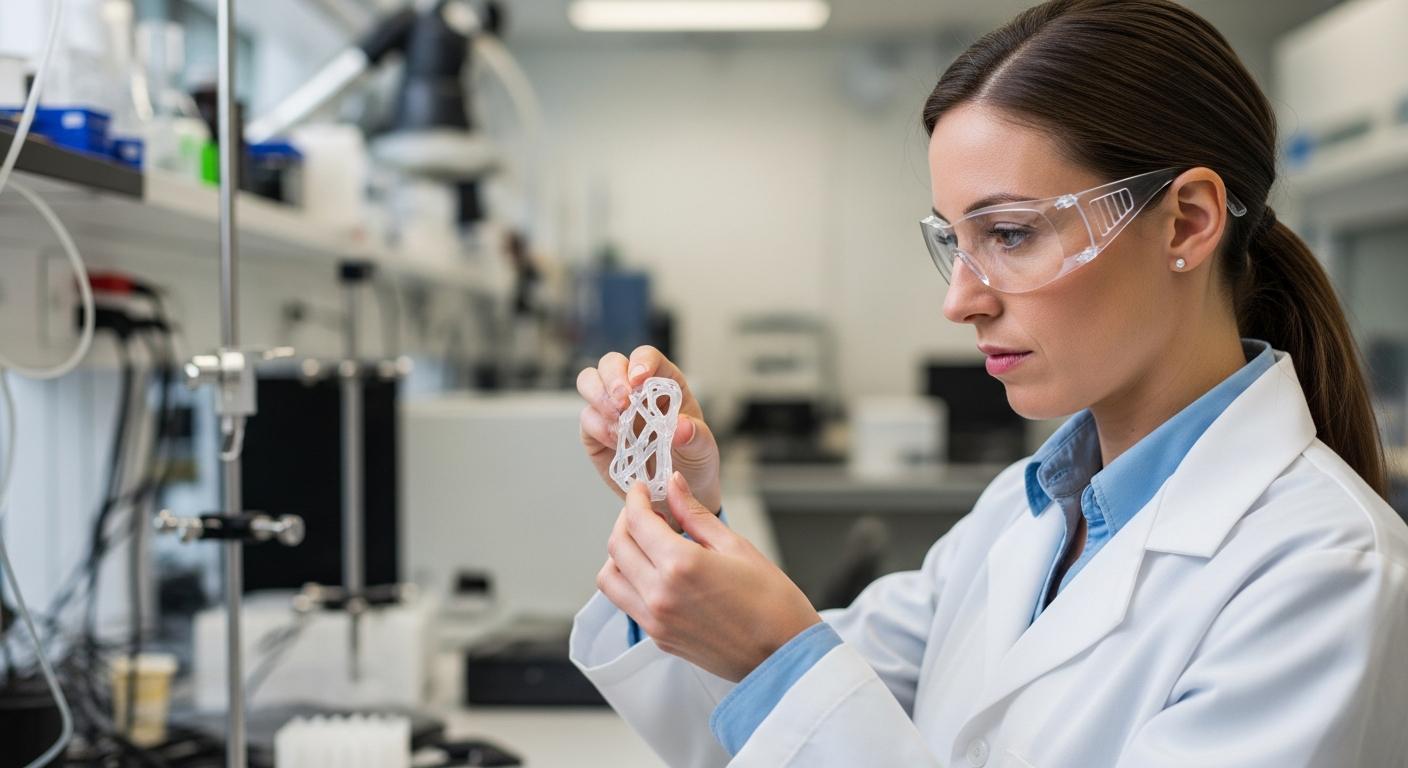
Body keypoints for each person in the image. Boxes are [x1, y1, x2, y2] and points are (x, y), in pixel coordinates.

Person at [569, 1, 1408, 765]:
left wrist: (778, 657)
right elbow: (774, 726)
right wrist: (685, 519)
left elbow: (801, 689)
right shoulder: (1026, 510)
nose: (959, 300)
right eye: (956, 242)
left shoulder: (1323, 571)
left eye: (1010, 233)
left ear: (1185, 220)